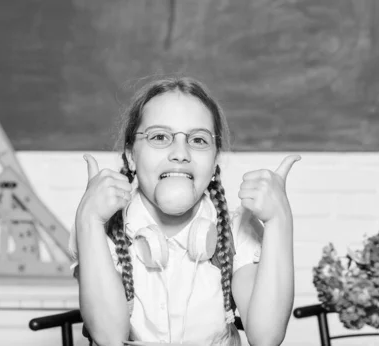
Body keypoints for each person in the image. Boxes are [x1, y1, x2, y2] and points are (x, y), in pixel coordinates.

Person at [69, 76, 300, 346]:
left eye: (199, 140)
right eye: (159, 137)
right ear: (131, 155)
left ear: (215, 161)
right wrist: (89, 220)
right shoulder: (101, 227)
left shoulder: (237, 230)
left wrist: (279, 220)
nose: (180, 153)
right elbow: (108, 338)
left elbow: (266, 337)